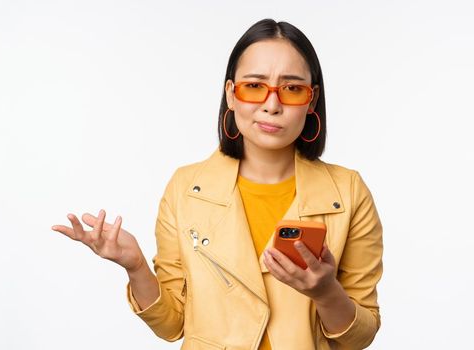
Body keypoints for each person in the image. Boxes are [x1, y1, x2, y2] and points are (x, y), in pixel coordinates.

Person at [50, 18, 383, 350]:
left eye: (292, 89)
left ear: (311, 100)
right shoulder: (186, 188)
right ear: (231, 94)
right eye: (254, 86)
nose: (272, 104)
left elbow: (360, 337)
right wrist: (135, 266)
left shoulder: (348, 191)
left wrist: (325, 292)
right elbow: (172, 324)